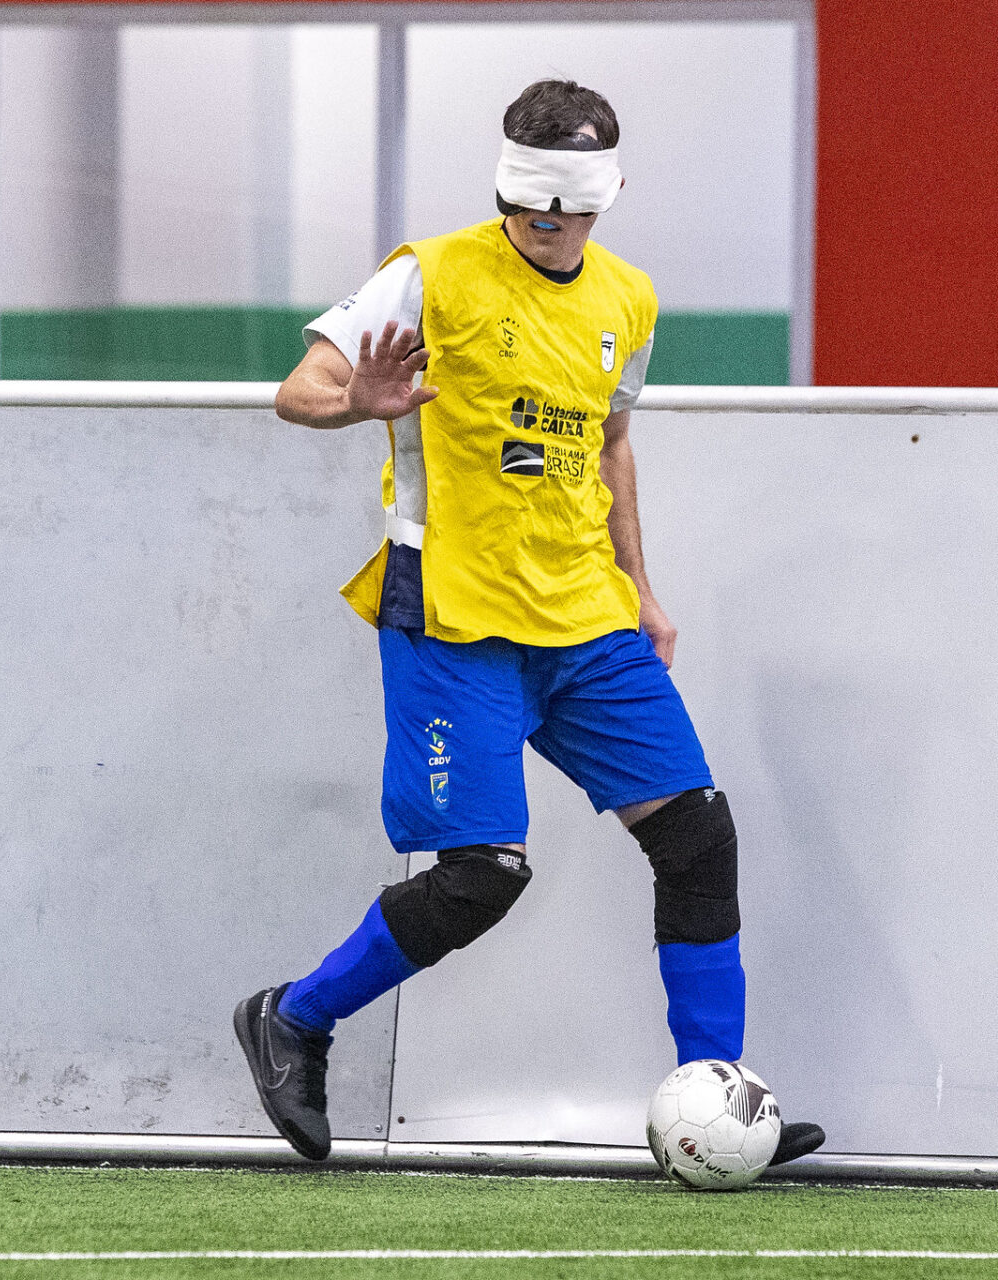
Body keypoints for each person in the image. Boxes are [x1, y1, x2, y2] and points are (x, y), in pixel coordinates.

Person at [233, 80, 824, 1169]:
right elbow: (296, 387)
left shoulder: (629, 299)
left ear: (608, 194)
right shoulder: (431, 273)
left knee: (697, 835)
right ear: (508, 184)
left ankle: (716, 1096)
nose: (547, 226)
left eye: (568, 208)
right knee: (483, 874)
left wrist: (640, 587)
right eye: (531, 205)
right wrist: (354, 403)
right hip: (453, 613)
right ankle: (295, 1016)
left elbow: (608, 445)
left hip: (585, 616)